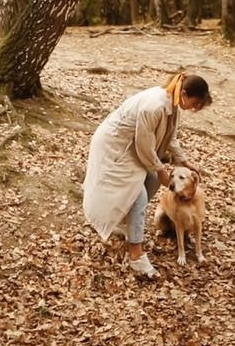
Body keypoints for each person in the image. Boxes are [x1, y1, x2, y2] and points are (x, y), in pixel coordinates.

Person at [82, 71, 212, 278]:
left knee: (150, 183)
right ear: (185, 93)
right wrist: (160, 170)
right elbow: (144, 144)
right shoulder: (154, 106)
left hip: (134, 149)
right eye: (195, 104)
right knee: (138, 195)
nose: (194, 109)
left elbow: (170, 138)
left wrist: (185, 161)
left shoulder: (173, 103)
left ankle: (126, 225)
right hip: (116, 147)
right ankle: (136, 256)